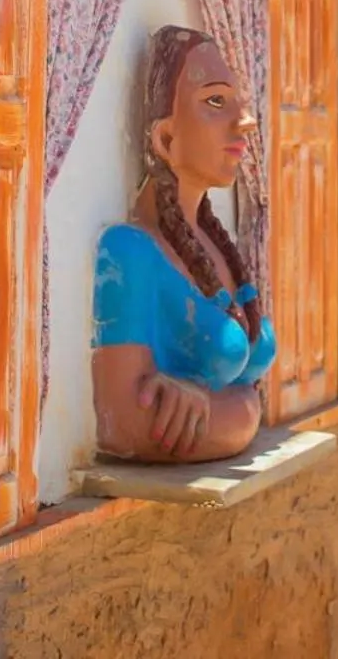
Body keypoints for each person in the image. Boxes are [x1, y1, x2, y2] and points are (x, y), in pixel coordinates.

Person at [91, 26, 276, 462]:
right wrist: (245, 410)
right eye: (215, 101)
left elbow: (246, 399)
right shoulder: (129, 252)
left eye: (237, 101)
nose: (245, 121)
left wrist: (221, 411)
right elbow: (128, 426)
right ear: (166, 139)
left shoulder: (215, 245)